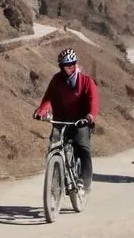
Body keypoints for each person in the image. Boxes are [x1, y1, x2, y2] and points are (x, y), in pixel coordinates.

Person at [33, 48, 99, 193]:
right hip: (60, 120)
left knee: (83, 147)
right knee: (53, 145)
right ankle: (55, 173)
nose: (67, 68)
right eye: (64, 66)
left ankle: (84, 180)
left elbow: (93, 102)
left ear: (75, 65)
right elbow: (48, 98)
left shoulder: (86, 81)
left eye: (70, 65)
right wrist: (41, 112)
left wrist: (89, 117)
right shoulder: (57, 80)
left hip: (80, 120)